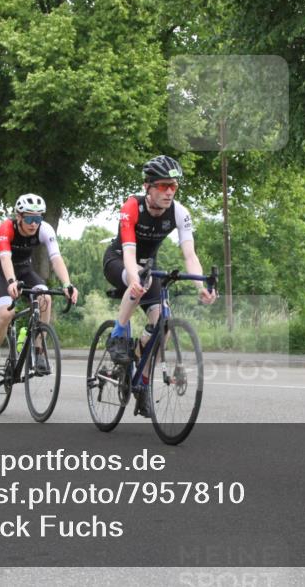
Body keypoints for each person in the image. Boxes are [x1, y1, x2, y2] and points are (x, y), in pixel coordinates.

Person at [103, 155, 217, 416]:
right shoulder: (132, 207)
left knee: (162, 324)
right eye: (163, 186)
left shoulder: (179, 212)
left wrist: (200, 285)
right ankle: (118, 335)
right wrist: (134, 278)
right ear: (148, 187)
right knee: (140, 280)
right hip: (118, 260)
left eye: (173, 186)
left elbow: (190, 255)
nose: (169, 192)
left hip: (147, 267)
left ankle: (142, 383)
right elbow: (129, 252)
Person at [0, 194, 78, 387]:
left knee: (45, 298)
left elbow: (56, 258)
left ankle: (38, 350)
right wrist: (11, 281)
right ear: (19, 216)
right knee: (5, 314)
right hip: (2, 271)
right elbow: (5, 258)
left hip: (25, 270)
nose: (34, 223)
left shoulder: (45, 229)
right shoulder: (6, 228)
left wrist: (67, 284)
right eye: (29, 219)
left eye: (38, 218)